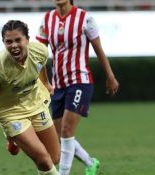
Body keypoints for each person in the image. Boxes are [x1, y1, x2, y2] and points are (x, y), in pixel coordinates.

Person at [36, 0, 119, 175]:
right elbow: (39, 54)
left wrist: (110, 76)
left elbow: (98, 49)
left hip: (80, 81)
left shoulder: (85, 18)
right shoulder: (47, 19)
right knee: (60, 136)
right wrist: (44, 81)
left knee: (66, 129)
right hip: (58, 85)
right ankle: (90, 162)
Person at [0, 20, 60, 175]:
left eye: (18, 40)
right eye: (9, 42)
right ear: (3, 43)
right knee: (42, 159)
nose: (14, 45)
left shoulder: (40, 51)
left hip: (35, 102)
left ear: (27, 40)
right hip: (10, 112)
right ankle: (14, 136)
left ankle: (15, 140)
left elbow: (40, 66)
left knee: (53, 158)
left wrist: (46, 83)